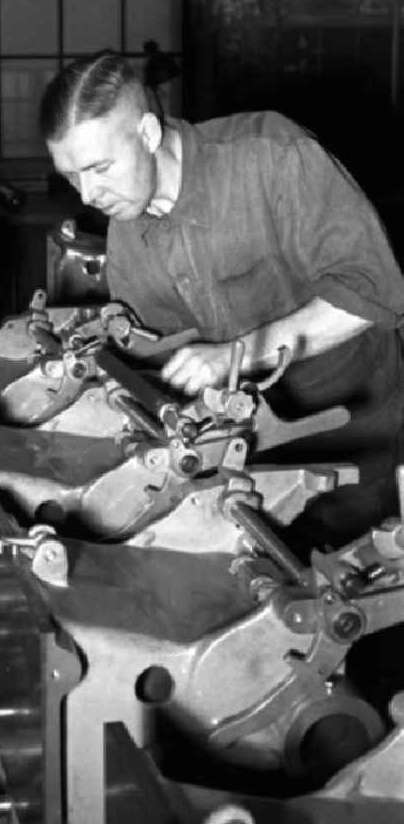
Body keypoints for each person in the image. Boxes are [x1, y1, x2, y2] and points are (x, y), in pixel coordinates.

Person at [40, 50, 404, 550]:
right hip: (256, 469)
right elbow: (159, 368)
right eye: (71, 176)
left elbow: (376, 290)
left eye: (99, 168)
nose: (86, 195)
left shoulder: (268, 156)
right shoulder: (127, 238)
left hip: (361, 441)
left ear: (147, 133)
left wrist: (243, 352)